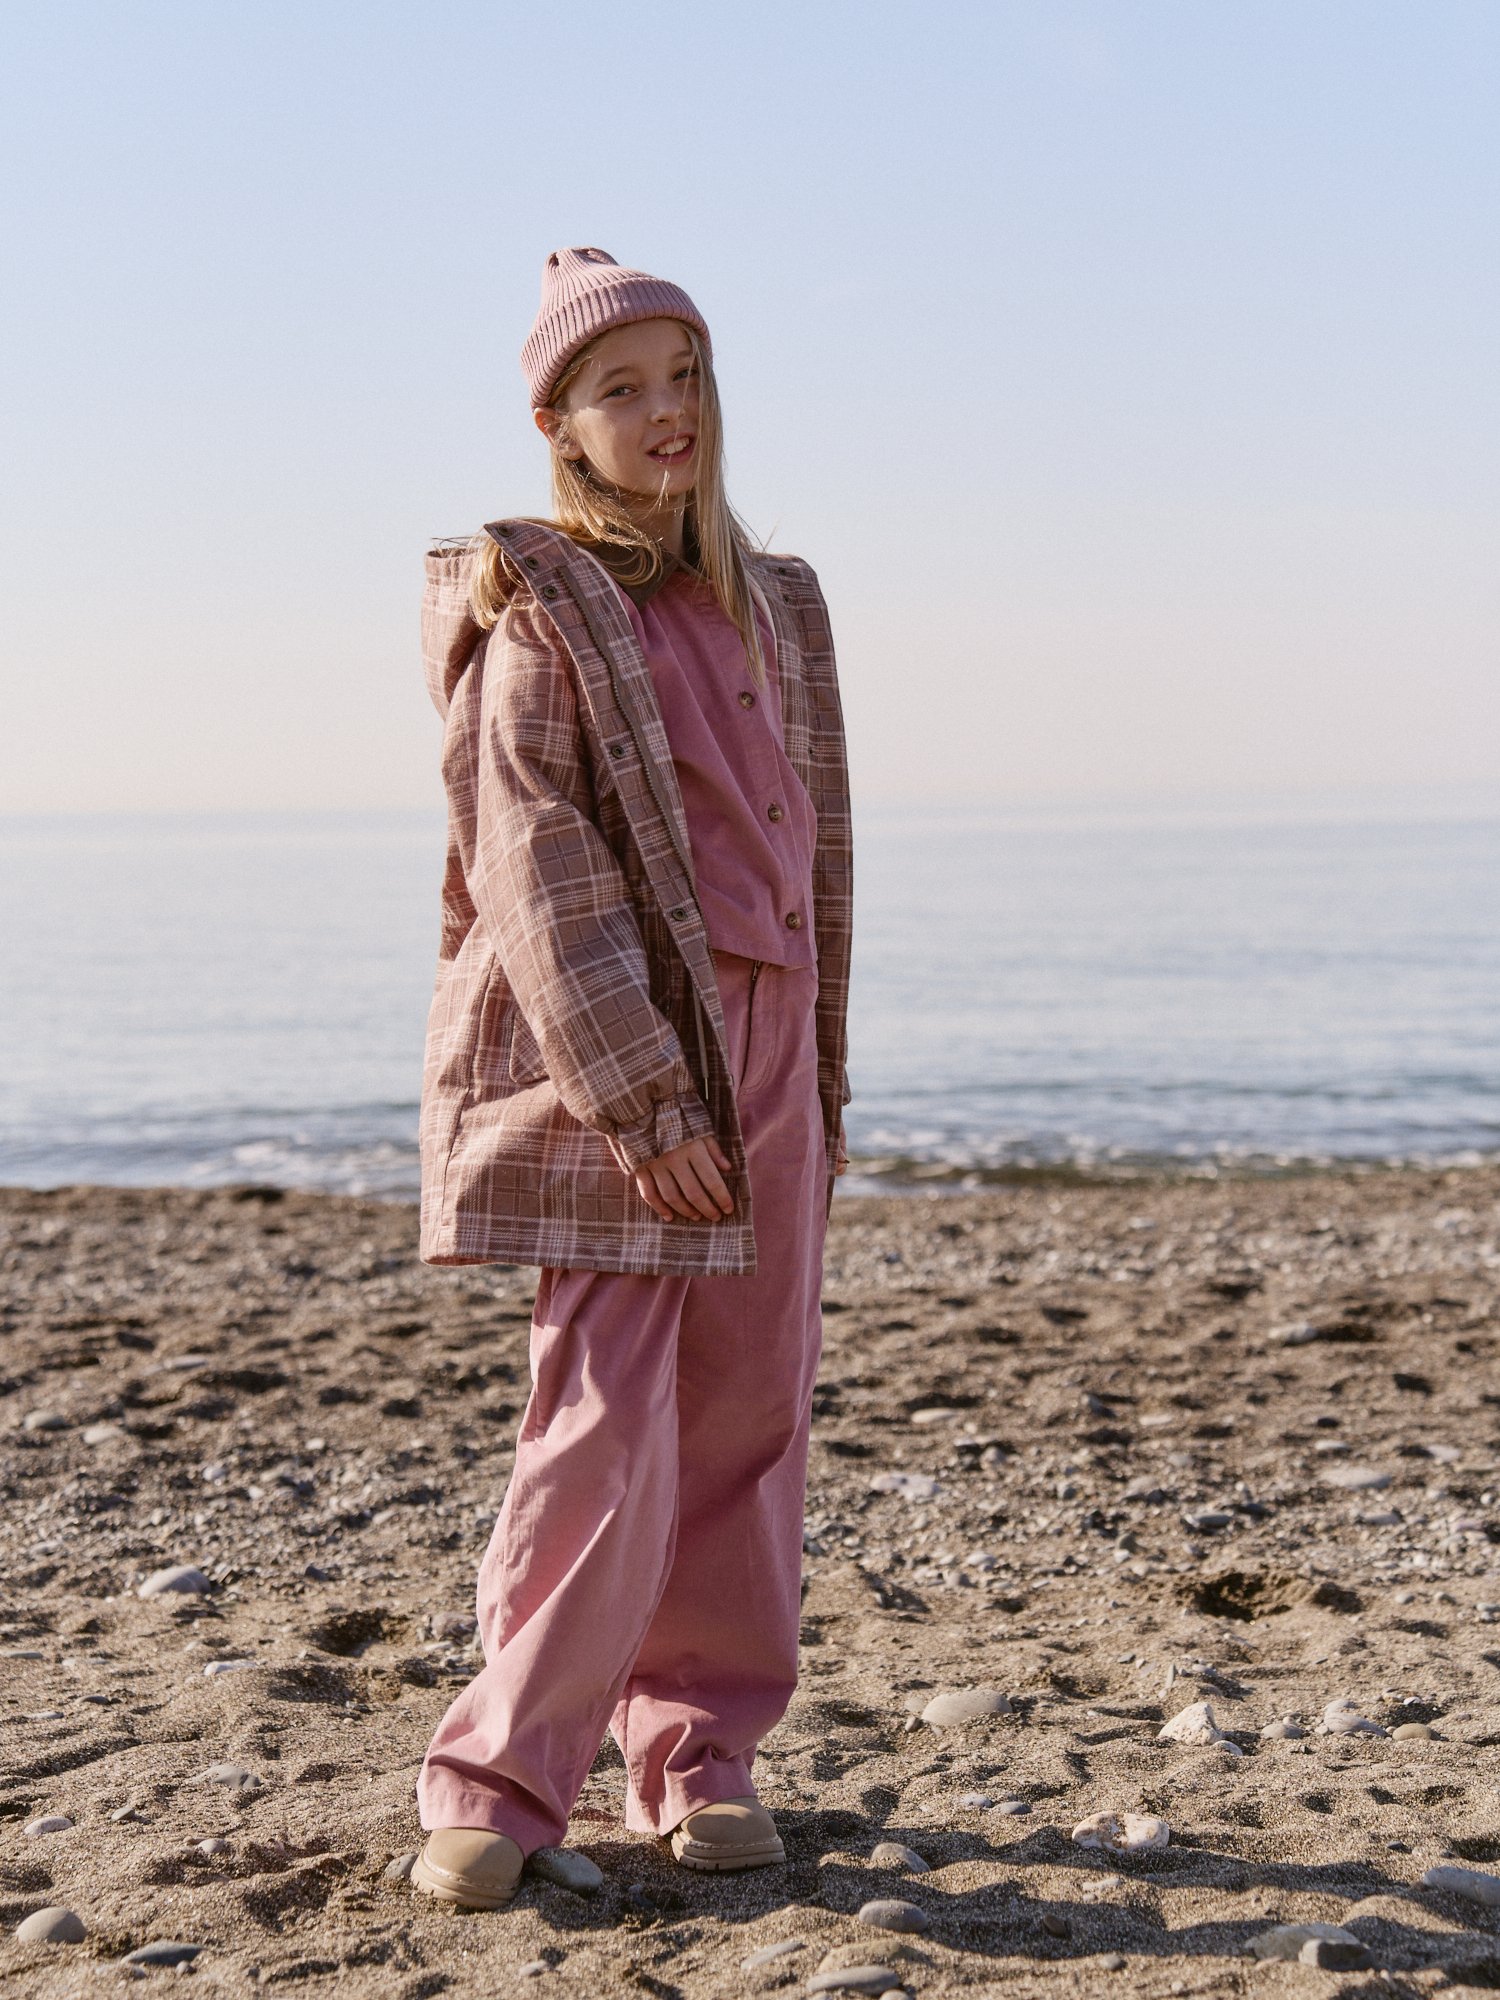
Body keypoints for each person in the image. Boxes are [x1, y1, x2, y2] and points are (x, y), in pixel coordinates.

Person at [408, 247, 853, 1911]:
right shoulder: (537, 607)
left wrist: (815, 1067)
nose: (667, 412)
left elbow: (815, 848)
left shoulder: (776, 600)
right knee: (599, 1423)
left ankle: (700, 1748)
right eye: (622, 388)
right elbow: (531, 864)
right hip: (630, 1053)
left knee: (749, 1410)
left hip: (775, 1033)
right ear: (558, 423)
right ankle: (502, 1776)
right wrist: (647, 1101)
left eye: (685, 376)